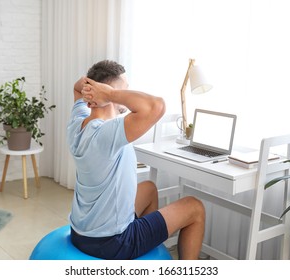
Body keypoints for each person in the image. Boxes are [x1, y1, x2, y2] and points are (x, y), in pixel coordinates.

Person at [67, 60, 205, 260]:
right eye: (124, 91)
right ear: (107, 93)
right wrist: (110, 94)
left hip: (81, 233)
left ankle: (149, 251)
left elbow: (76, 86)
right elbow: (156, 106)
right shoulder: (107, 133)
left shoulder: (77, 122)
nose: (127, 96)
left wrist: (94, 89)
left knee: (148, 188)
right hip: (112, 242)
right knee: (195, 207)